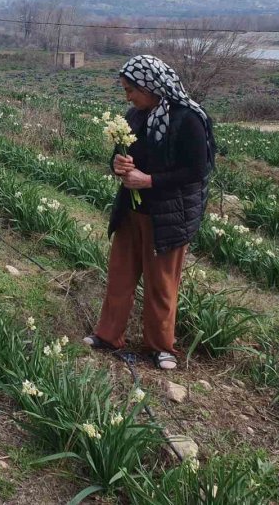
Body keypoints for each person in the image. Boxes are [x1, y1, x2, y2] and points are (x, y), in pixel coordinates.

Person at [83, 55, 215, 369]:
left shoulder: (189, 119)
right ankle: (108, 334)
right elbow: (122, 155)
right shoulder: (136, 115)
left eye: (131, 89)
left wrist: (150, 180)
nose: (127, 96)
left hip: (168, 215)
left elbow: (197, 170)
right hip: (131, 210)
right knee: (120, 275)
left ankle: (160, 347)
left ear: (151, 86)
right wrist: (118, 165)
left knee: (161, 282)